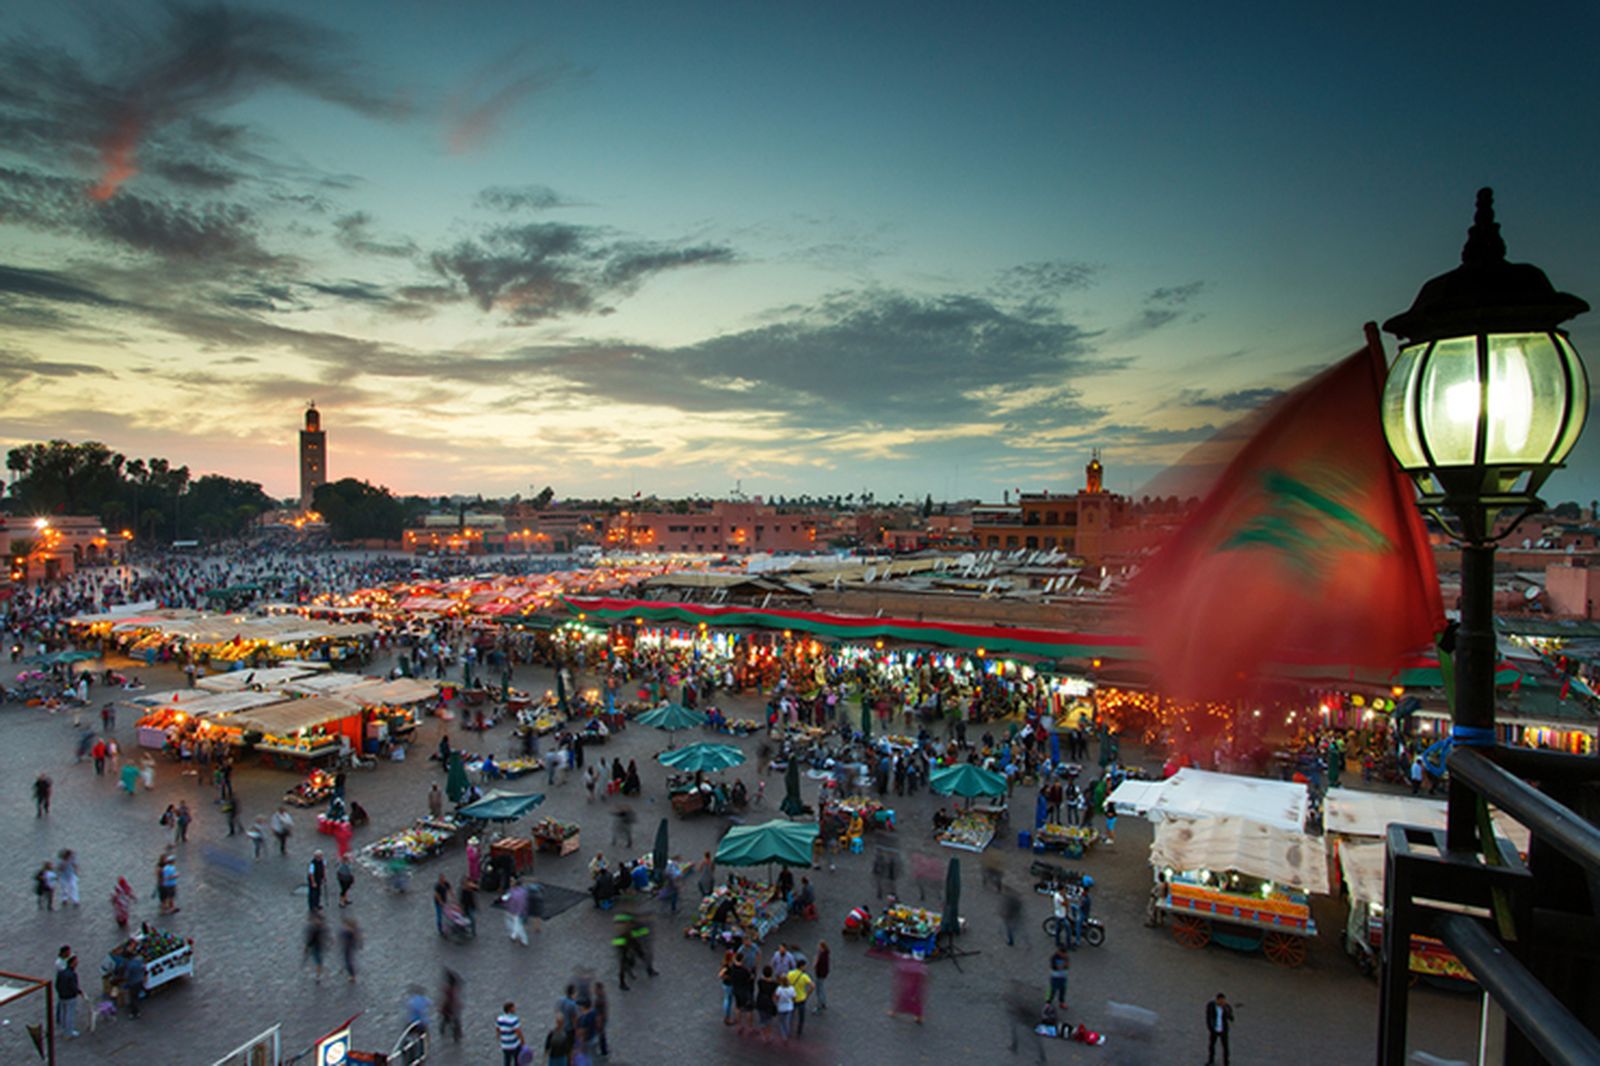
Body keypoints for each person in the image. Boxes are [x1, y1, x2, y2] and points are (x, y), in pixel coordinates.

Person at [55, 954, 82, 1037]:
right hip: (70, 996)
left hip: (62, 996)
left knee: (63, 1012)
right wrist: (78, 992)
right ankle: (69, 1031)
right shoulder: (72, 974)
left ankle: (63, 1028)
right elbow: (73, 987)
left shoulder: (61, 973)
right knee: (69, 1014)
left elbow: (57, 984)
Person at [1206, 992, 1235, 1066]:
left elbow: (1231, 1018)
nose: (1222, 1002)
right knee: (1212, 1045)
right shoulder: (1211, 1005)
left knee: (1225, 1047)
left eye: (1223, 1001)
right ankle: (1211, 1060)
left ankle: (1226, 1063)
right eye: (1221, 1001)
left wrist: (1226, 1010)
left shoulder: (1226, 1006)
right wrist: (1211, 1028)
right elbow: (1209, 1017)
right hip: (1214, 1030)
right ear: (1217, 1000)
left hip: (1223, 1030)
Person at [787, 958, 814, 1036]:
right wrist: (807, 994)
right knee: (801, 1017)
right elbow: (812, 986)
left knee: (791, 1014)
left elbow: (787, 983)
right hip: (801, 998)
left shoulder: (790, 973)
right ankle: (799, 1030)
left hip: (792, 998)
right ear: (802, 967)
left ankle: (789, 1028)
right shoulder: (804, 976)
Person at [438, 968, 464, 1044]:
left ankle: (445, 1030)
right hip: (451, 1008)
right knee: (453, 1021)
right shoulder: (451, 990)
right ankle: (456, 1035)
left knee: (447, 1020)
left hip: (449, 1008)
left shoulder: (449, 990)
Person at [304, 912, 327, 981]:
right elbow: (310, 938)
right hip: (315, 946)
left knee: (318, 960)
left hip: (318, 946)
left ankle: (318, 973)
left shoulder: (319, 928)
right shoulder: (314, 928)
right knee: (318, 960)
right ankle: (318, 973)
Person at [339, 917, 361, 982]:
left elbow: (352, 940)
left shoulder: (350, 933)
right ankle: (350, 973)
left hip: (348, 948)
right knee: (347, 960)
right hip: (348, 948)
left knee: (348, 962)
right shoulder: (350, 932)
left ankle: (352, 975)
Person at [813, 940, 830, 1012]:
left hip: (820, 974)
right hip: (823, 974)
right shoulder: (826, 954)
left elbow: (815, 965)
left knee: (819, 990)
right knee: (822, 988)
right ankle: (823, 1003)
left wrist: (815, 961)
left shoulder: (821, 956)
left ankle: (819, 1007)